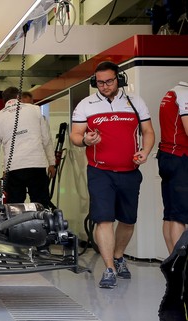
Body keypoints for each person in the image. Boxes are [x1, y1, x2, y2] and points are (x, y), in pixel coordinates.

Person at [69, 61, 155, 289]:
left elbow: (147, 132)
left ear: (119, 79)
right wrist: (85, 139)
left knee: (127, 220)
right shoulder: (85, 105)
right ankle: (109, 268)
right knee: (104, 219)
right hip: (100, 171)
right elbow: (75, 135)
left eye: (109, 81)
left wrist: (145, 152)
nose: (105, 86)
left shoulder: (135, 103)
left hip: (129, 171)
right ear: (94, 82)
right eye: (100, 82)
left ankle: (118, 256)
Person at [0, 86, 56, 208]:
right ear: (18, 97)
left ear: (4, 101)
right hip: (36, 165)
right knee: (41, 204)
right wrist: (52, 162)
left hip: (13, 168)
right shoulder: (35, 110)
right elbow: (46, 139)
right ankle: (41, 226)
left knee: (14, 206)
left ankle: (15, 226)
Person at [158, 81, 188, 254]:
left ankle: (172, 264)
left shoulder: (172, 92)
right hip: (180, 158)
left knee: (170, 214)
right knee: (179, 215)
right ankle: (181, 265)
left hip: (167, 156)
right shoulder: (184, 93)